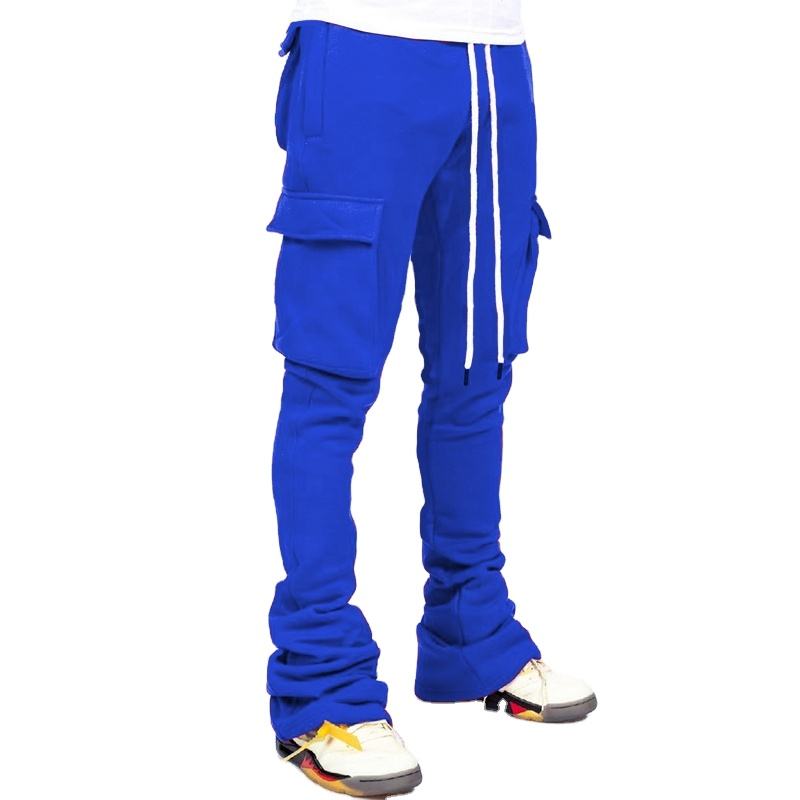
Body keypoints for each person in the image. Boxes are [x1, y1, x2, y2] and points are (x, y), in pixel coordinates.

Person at [265, 1, 596, 794]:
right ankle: (319, 687)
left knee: (478, 368)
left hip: (495, 60)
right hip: (366, 46)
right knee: (330, 384)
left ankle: (469, 635)